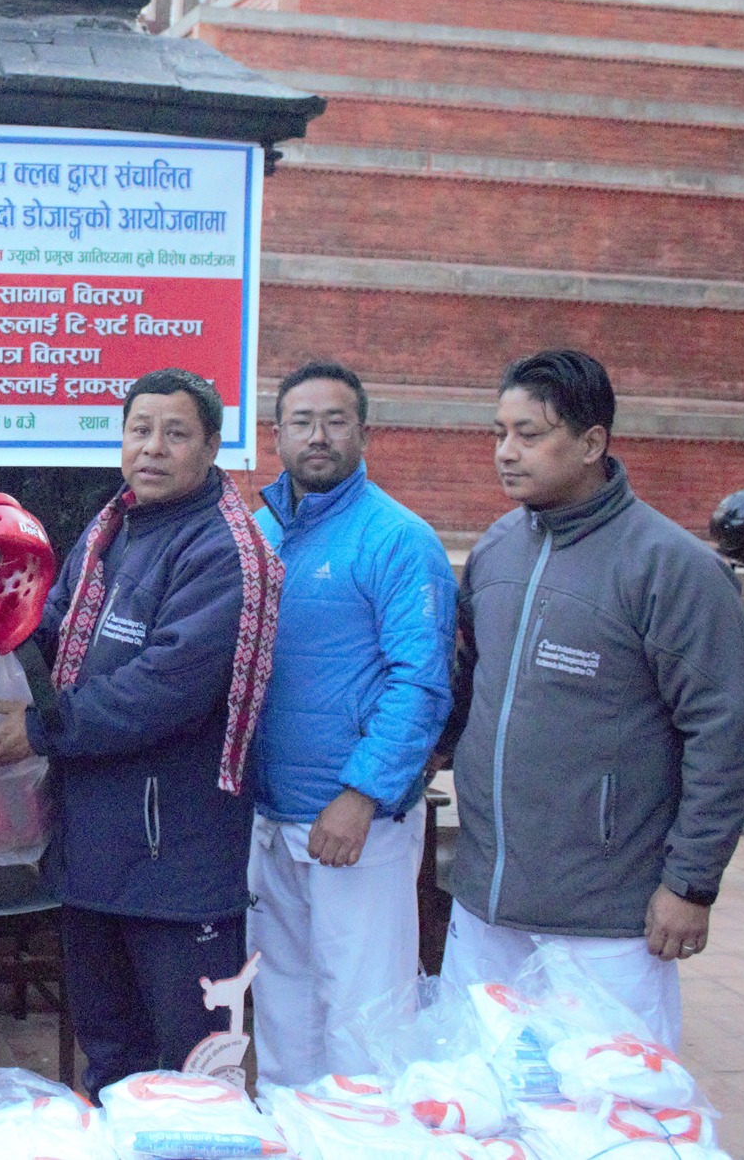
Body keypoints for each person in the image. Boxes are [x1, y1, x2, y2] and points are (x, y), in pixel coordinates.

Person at [0, 367, 284, 1098]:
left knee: (198, 1076)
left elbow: (165, 689)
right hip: (96, 853)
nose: (153, 447)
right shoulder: (116, 527)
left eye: (176, 433)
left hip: (177, 866)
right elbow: (58, 626)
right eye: (140, 430)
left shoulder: (226, 551)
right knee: (110, 1060)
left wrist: (43, 730)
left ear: (211, 446)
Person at [438, 349, 744, 1046]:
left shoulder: (671, 569)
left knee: (608, 1116)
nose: (506, 452)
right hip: (487, 907)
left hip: (607, 923)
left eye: (529, 434)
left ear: (592, 443)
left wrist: (691, 884)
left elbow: (725, 733)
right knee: (480, 1105)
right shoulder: (496, 550)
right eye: (499, 431)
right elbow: (469, 695)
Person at [245, 360, 456, 1085]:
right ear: (278, 435)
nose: (319, 436)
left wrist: (361, 794)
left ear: (365, 431)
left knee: (368, 1021)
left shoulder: (400, 539)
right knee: (282, 1006)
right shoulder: (260, 531)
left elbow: (421, 682)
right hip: (270, 818)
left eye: (336, 420)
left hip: (354, 824)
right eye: (302, 421)